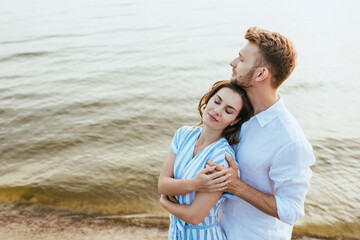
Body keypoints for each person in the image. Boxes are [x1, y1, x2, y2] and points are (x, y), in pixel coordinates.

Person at [199, 27, 316, 239]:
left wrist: (236, 186)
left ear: (261, 74)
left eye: (242, 59)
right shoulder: (236, 113)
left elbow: (291, 210)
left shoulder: (290, 141)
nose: (233, 63)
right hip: (218, 231)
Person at [158, 80, 253, 239]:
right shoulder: (184, 134)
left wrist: (165, 203)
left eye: (228, 111)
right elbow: (162, 184)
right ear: (208, 99)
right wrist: (194, 184)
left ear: (234, 121)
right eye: (216, 101)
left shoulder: (221, 158)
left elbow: (194, 216)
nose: (217, 111)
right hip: (175, 233)